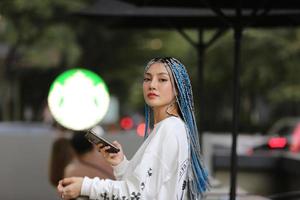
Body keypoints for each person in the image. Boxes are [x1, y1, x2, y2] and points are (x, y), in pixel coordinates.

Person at [57, 57, 209, 199]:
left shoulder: (169, 129)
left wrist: (86, 186)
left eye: (162, 79)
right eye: (147, 79)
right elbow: (144, 188)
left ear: (178, 88)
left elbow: (135, 194)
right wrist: (120, 163)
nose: (152, 85)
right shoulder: (171, 128)